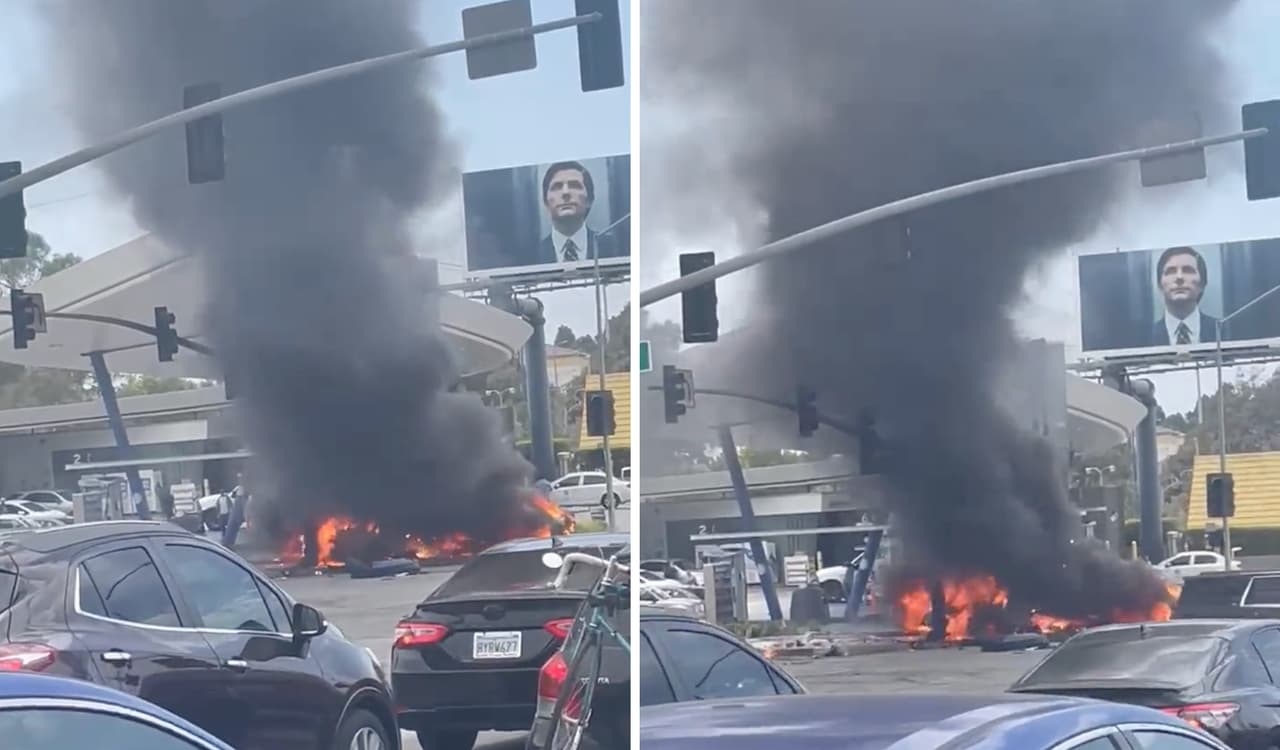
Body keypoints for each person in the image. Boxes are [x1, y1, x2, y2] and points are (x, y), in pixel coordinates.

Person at [534, 161, 623, 264]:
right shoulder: (531, 255)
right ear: (546, 202)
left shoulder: (616, 248)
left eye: (574, 185)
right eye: (557, 187)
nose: (565, 192)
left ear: (589, 199)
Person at [1148, 246, 1219, 346]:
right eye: (1171, 271)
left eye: (1188, 270)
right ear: (1160, 285)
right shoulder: (1145, 337)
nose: (1179, 277)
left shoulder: (1223, 330)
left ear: (1202, 283)